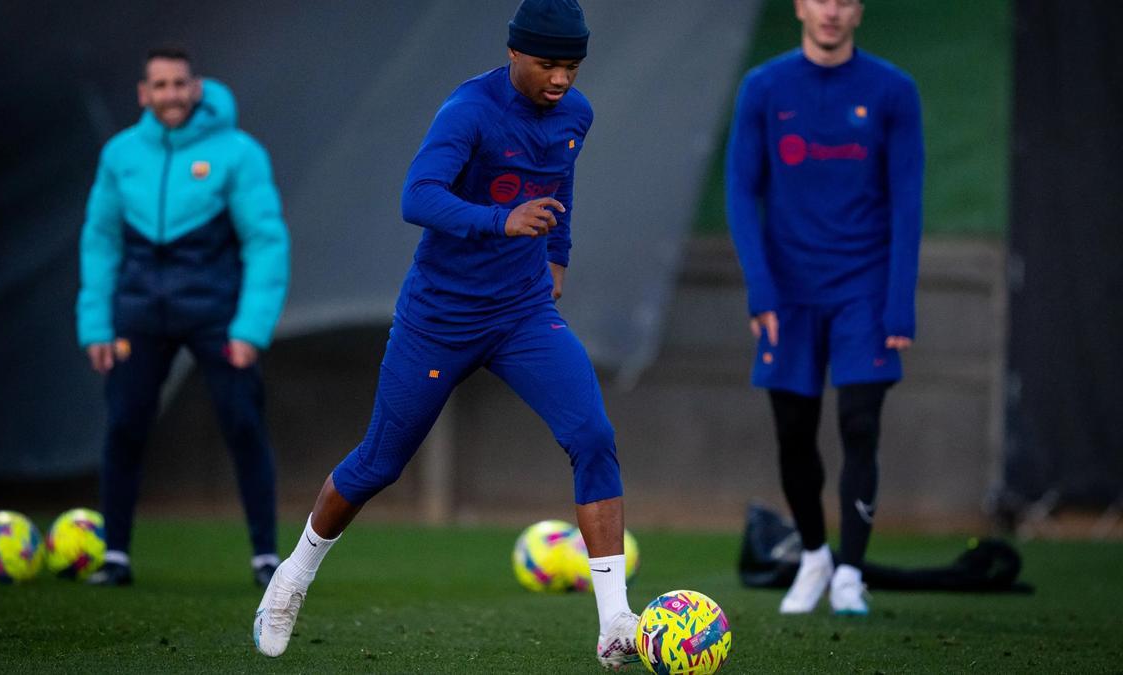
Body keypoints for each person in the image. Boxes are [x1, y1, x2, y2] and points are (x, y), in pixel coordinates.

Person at [252, 0, 639, 667]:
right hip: (439, 318)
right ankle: (292, 576)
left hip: (521, 314)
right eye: (548, 64)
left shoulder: (577, 114)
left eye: (572, 66)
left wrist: (559, 253)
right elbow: (418, 196)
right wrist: (500, 221)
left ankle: (614, 624)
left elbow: (559, 182)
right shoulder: (467, 110)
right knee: (380, 462)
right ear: (514, 52)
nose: (561, 80)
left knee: (593, 436)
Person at [726, 0, 923, 616]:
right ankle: (814, 556)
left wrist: (899, 304)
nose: (831, 11)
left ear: (858, 10)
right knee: (793, 430)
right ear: (799, 7)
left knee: (860, 425)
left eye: (844, 0)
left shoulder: (892, 90)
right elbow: (739, 189)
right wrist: (760, 288)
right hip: (788, 292)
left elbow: (908, 201)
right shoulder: (764, 87)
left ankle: (851, 574)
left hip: (864, 290)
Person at [76, 47, 290, 588]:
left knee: (243, 423)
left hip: (214, 311)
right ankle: (115, 556)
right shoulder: (120, 153)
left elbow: (266, 242)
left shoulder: (238, 153)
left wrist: (250, 327)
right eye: (159, 85)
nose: (170, 94)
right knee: (124, 425)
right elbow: (99, 242)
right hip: (138, 311)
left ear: (195, 88)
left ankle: (267, 557)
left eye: (179, 84)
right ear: (143, 94)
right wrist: (97, 324)